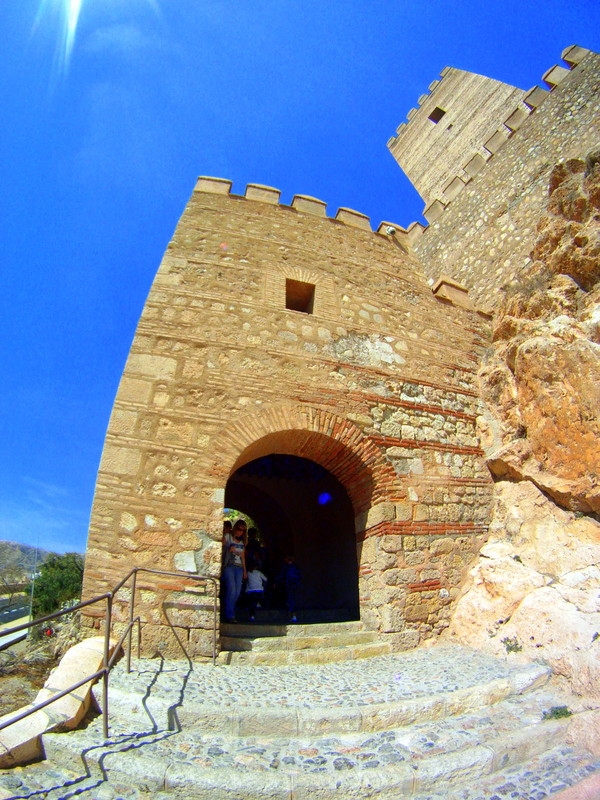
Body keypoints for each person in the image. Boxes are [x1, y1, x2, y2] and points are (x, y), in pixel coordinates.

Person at [221, 519, 247, 623]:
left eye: (242, 530)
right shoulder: (228, 537)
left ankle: (229, 611)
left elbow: (243, 557)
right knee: (231, 590)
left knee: (237, 592)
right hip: (229, 566)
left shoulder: (242, 542)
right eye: (239, 529)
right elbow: (221, 544)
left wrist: (245, 571)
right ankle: (230, 615)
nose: (240, 532)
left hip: (239, 568)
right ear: (235, 528)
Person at [276, 556, 301, 622]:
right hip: (293, 585)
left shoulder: (286, 568)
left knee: (290, 600)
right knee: (291, 599)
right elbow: (298, 576)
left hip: (289, 585)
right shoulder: (295, 567)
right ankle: (292, 615)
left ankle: (292, 615)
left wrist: (277, 582)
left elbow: (282, 575)